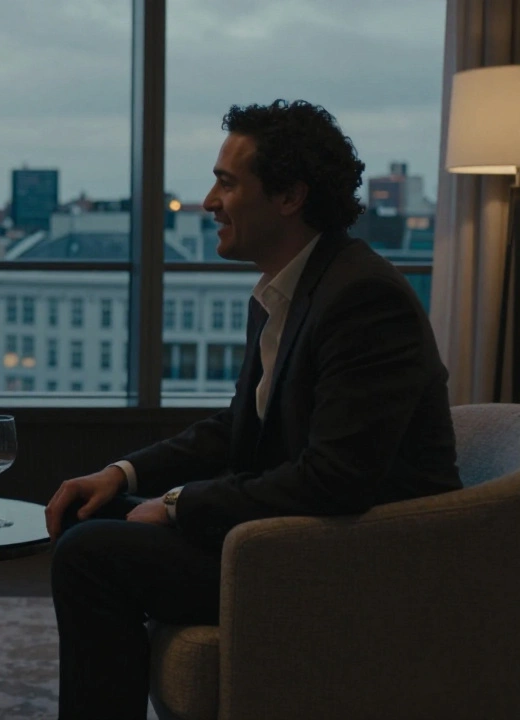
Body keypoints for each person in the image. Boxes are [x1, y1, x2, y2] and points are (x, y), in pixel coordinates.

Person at [44, 100, 460, 719]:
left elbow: (335, 478)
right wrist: (122, 476)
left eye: (227, 182)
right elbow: (237, 428)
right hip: (289, 535)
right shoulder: (286, 290)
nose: (209, 200)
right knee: (86, 519)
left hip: (351, 559)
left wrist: (182, 505)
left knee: (89, 557)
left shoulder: (363, 298)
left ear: (290, 196)